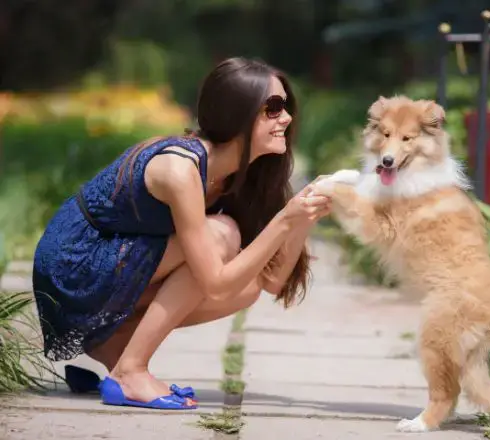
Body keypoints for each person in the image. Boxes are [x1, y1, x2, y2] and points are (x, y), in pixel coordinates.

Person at [31, 57, 332, 410]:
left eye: (286, 107)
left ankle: (114, 345)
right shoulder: (180, 169)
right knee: (222, 236)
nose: (286, 118)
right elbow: (214, 282)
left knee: (246, 287)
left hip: (113, 265)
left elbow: (272, 281)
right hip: (73, 262)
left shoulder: (239, 176)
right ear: (237, 114)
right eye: (274, 107)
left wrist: (303, 217)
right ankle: (130, 370)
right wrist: (284, 219)